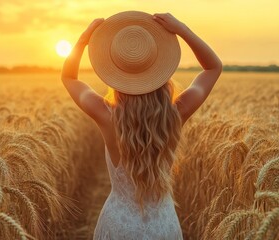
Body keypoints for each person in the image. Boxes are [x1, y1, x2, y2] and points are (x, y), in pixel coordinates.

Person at [61, 11, 222, 240]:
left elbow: (69, 78)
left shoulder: (106, 115)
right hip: (163, 226)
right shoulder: (177, 113)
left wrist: (84, 40)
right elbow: (213, 68)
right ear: (160, 71)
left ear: (115, 75)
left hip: (118, 225)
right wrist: (182, 30)